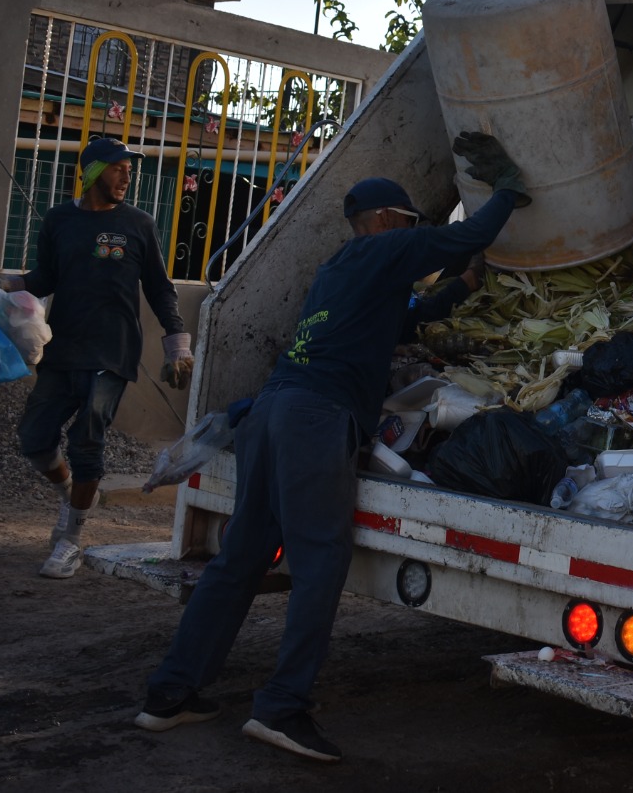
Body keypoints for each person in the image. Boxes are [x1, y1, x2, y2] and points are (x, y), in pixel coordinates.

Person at [136, 130, 528, 765]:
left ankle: (170, 693)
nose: (412, 230)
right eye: (407, 221)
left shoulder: (337, 273)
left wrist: (462, 290)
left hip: (270, 414)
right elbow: (460, 239)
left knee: (240, 561)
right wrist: (507, 194)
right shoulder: (384, 251)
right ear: (381, 221)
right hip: (315, 420)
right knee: (320, 564)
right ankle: (282, 707)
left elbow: (402, 323)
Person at [0, 136, 192, 580]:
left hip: (113, 351)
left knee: (86, 439)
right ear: (94, 171)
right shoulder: (59, 220)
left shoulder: (138, 224)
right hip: (64, 350)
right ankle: (74, 498)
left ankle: (70, 540)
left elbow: (159, 287)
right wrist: (6, 282)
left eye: (129, 170)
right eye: (118, 168)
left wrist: (177, 343)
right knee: (35, 438)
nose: (127, 177)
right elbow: (46, 277)